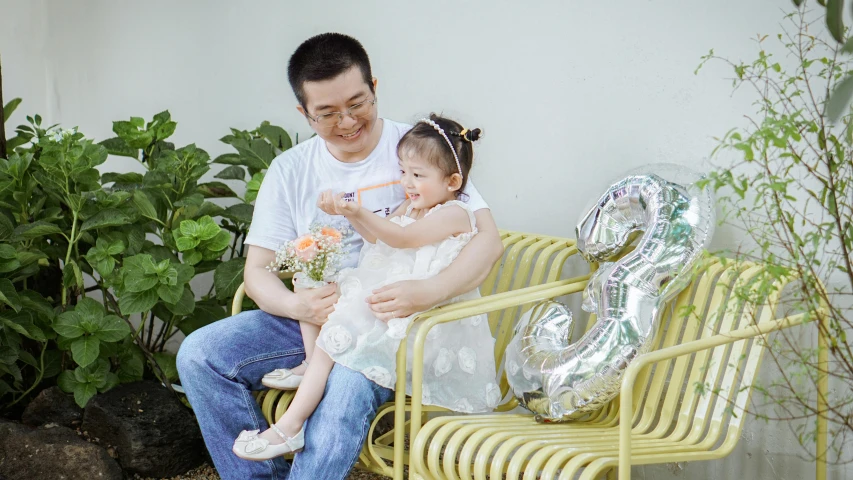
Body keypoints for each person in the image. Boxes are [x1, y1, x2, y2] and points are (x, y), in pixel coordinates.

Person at [176, 32, 504, 480]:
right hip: (315, 318)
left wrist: (429, 291)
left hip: (393, 323)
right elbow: (257, 272)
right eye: (328, 113)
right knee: (199, 354)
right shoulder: (290, 170)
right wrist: (298, 305)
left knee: (345, 383)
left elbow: (487, 239)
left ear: (374, 86)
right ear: (303, 113)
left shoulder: (419, 149)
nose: (348, 121)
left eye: (358, 103)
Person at [231, 115, 500, 461]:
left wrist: (358, 209)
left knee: (340, 323)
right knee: (314, 286)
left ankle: (291, 423)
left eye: (418, 175)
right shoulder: (413, 205)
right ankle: (307, 376)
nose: (407, 182)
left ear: (452, 181)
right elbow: (377, 235)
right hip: (393, 299)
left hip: (422, 316)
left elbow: (401, 238)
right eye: (403, 172)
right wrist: (350, 214)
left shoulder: (456, 213)